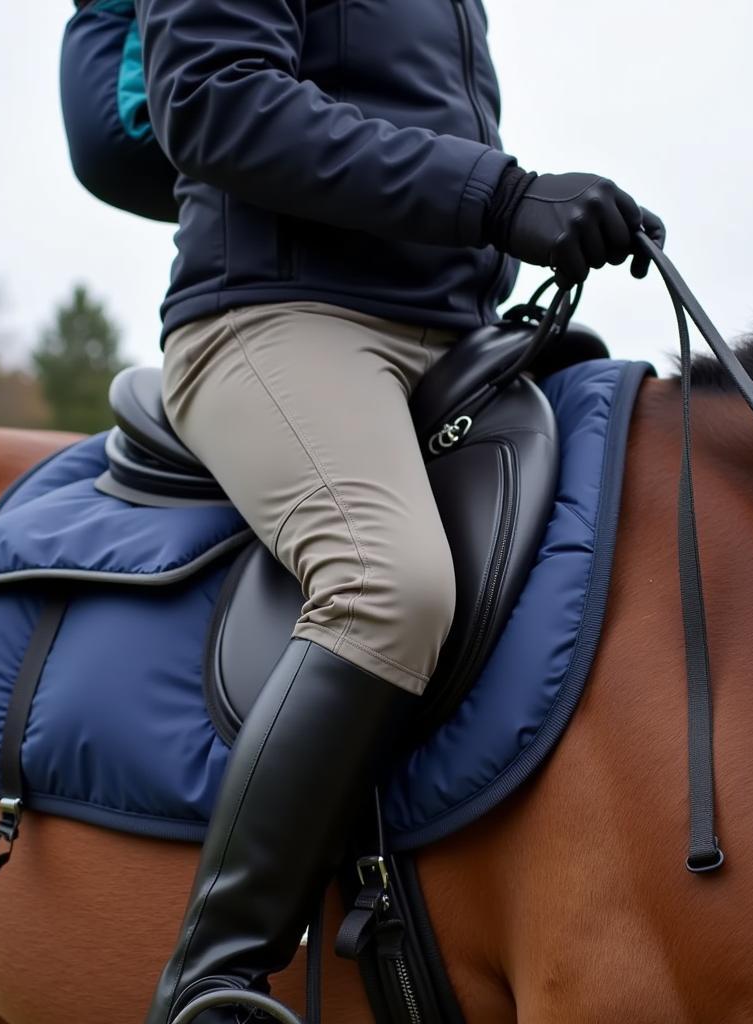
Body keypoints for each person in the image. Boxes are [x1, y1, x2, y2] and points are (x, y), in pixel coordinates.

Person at [130, 0, 665, 1019]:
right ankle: (211, 978)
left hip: (451, 331)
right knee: (389, 583)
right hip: (276, 317)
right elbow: (215, 102)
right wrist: (501, 197)